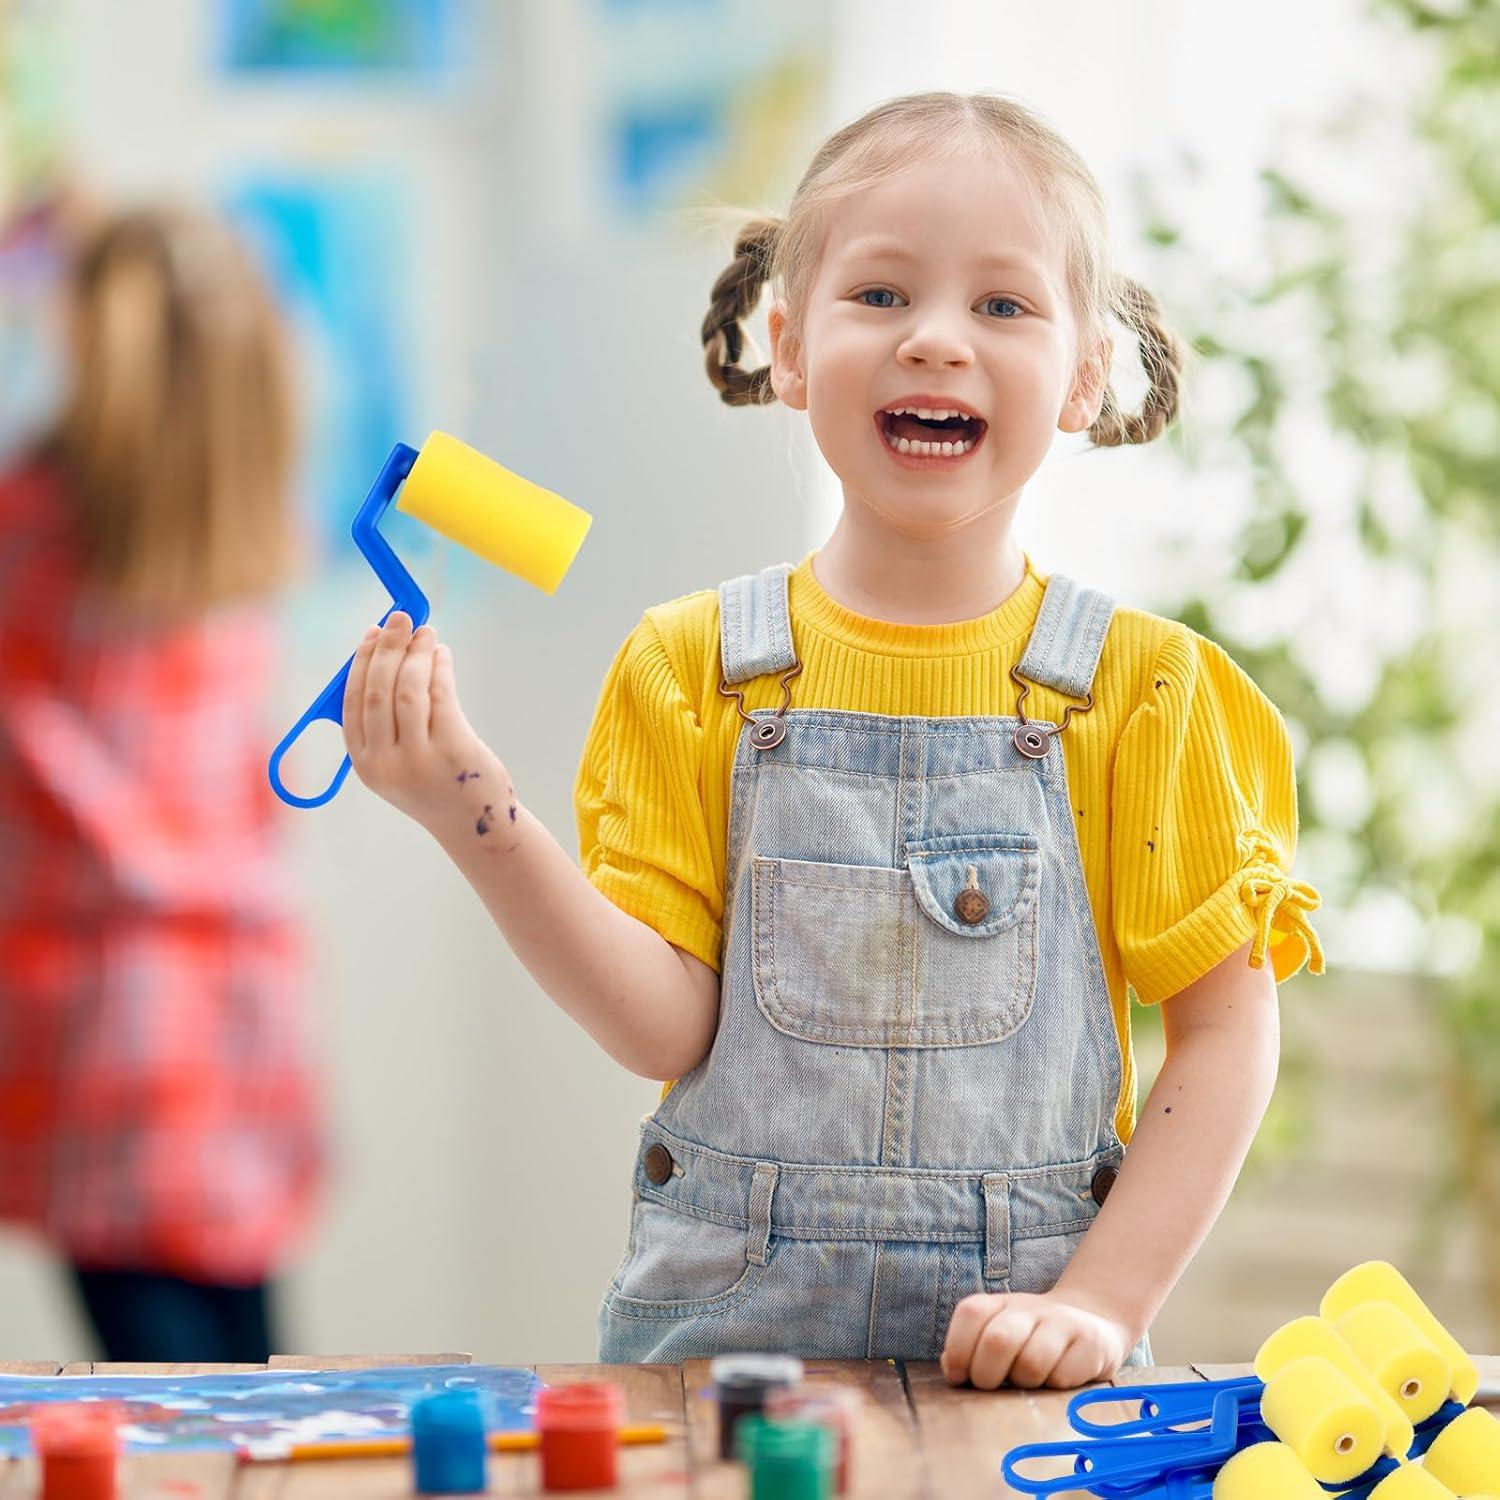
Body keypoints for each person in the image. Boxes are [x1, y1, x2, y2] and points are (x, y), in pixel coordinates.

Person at [340, 91, 1323, 1389]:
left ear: (1085, 372)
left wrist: (1098, 1302)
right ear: (790, 349)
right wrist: (467, 805)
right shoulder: (689, 668)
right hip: (720, 1351)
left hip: (1026, 1372)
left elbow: (1225, 1028)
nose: (935, 341)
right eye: (880, 296)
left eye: (1003, 306)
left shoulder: (1149, 694)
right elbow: (661, 1028)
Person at [0, 205, 322, 1361]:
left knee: (198, 1392)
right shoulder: (224, 528)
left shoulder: (41, 528)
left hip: (150, 1031)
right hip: (188, 1022)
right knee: (235, 1381)